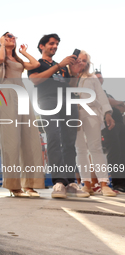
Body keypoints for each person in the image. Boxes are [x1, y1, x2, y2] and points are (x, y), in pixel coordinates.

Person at [28, 34, 89, 198]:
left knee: (69, 142)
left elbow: (70, 86)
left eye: (56, 44)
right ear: (42, 46)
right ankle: (59, 182)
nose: (54, 46)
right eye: (51, 43)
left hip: (68, 103)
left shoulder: (62, 67)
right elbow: (35, 80)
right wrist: (59, 66)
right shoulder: (36, 63)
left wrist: (74, 73)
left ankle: (70, 182)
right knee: (54, 138)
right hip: (48, 102)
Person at [0, 32, 44, 197]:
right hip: (7, 93)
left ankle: (30, 184)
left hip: (22, 94)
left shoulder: (19, 60)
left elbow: (35, 64)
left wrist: (23, 52)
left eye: (13, 36)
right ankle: (14, 186)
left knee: (31, 137)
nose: (11, 38)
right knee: (11, 139)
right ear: (1, 39)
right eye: (7, 36)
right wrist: (1, 45)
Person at [70, 51, 116, 196]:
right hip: (74, 114)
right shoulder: (68, 78)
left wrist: (108, 113)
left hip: (92, 113)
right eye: (79, 60)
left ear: (88, 64)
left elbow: (102, 96)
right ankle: (86, 184)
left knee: (95, 148)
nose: (81, 63)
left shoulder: (92, 78)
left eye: (84, 61)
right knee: (80, 150)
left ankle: (104, 184)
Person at [96, 71, 125, 193]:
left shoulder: (107, 93)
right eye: (96, 77)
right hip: (108, 125)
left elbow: (121, 108)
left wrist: (118, 104)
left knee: (122, 153)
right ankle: (117, 182)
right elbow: (108, 102)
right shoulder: (97, 92)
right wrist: (119, 102)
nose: (99, 79)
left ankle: (122, 182)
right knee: (114, 153)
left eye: (100, 77)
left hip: (120, 123)